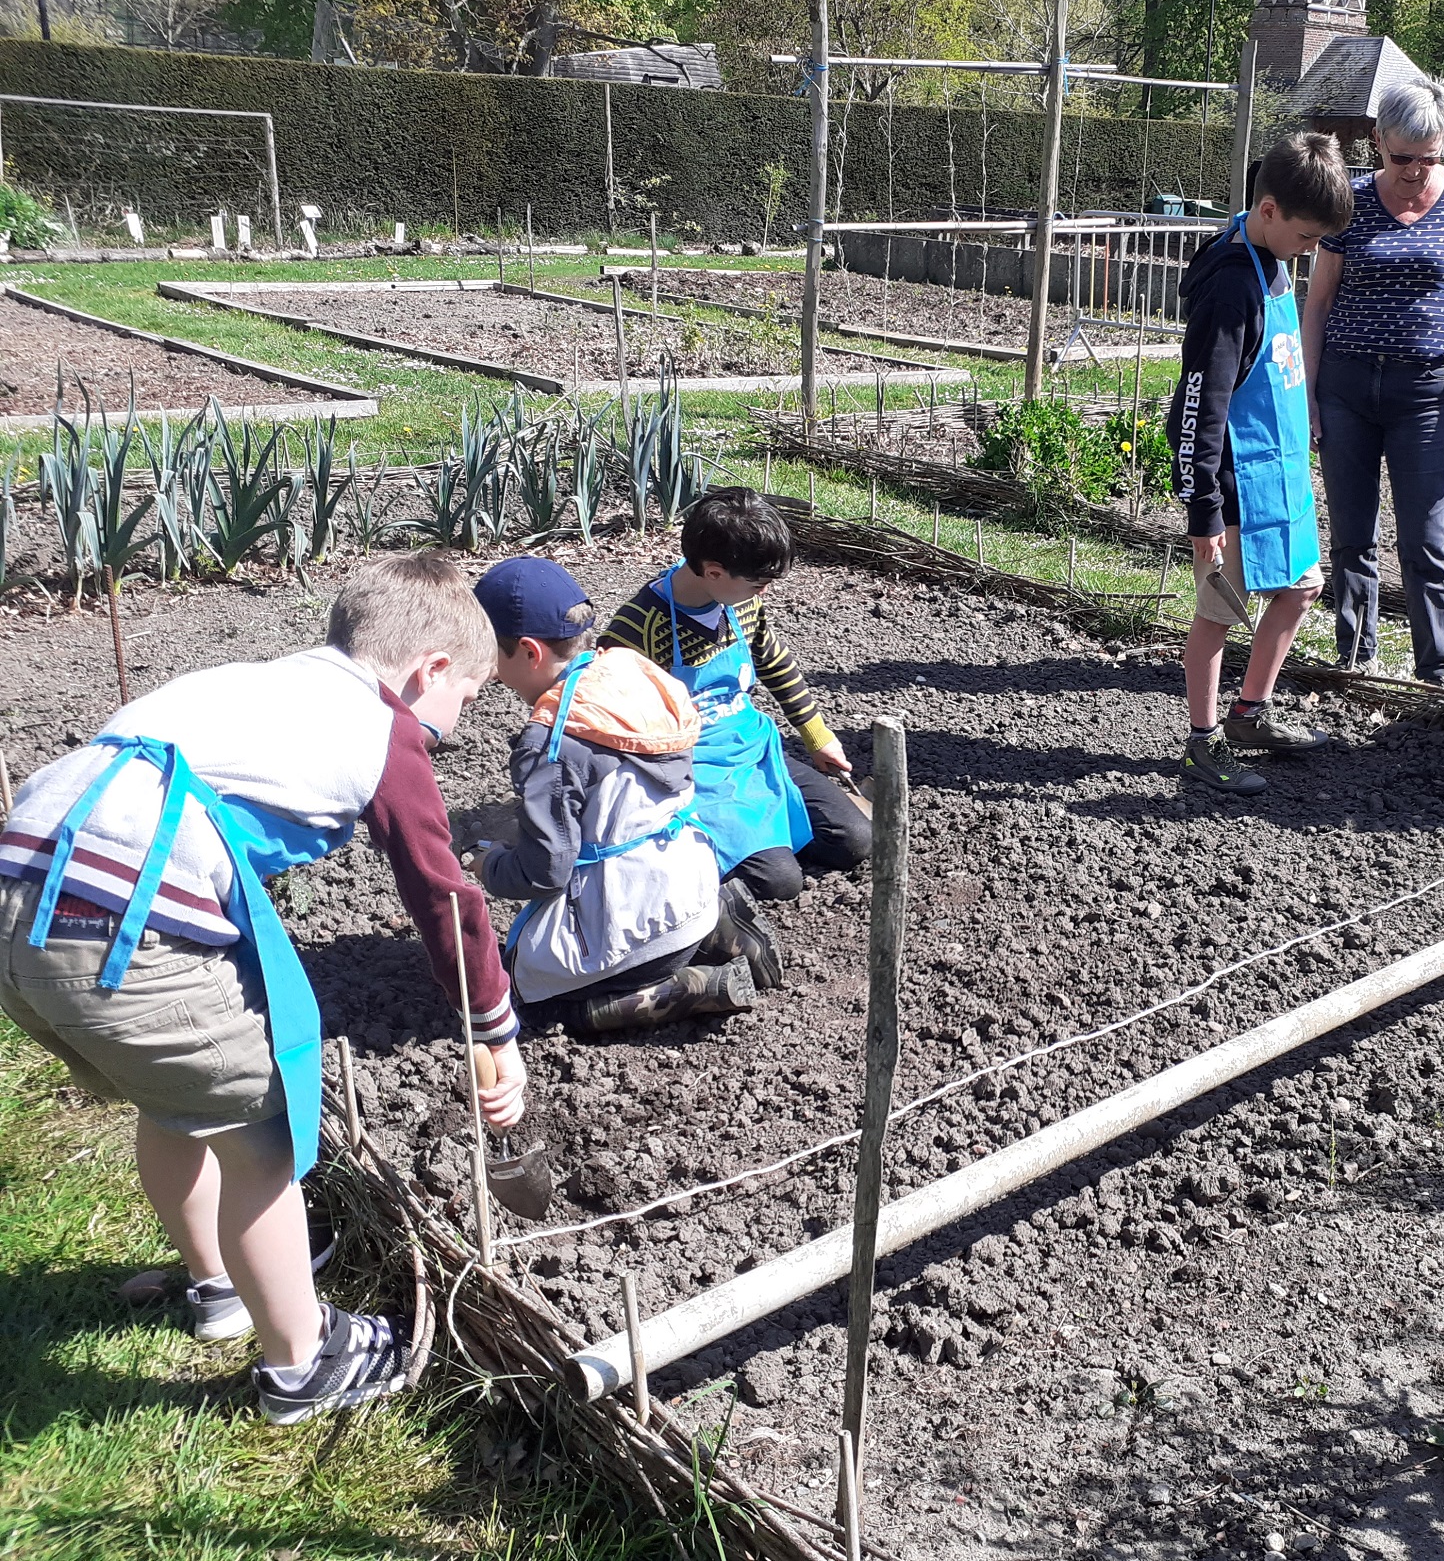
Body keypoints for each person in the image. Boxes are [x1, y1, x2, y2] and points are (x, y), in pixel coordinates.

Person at [0, 554, 526, 1424]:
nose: (457, 725)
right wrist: (494, 1028)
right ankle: (303, 1363)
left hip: (23, 903)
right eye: (467, 697)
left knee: (174, 1106)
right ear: (430, 670)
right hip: (124, 932)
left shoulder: (248, 685)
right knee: (262, 1139)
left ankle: (220, 1288)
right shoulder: (380, 729)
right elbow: (443, 894)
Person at [470, 558, 776, 1032]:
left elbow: (545, 873)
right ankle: (715, 923)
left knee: (529, 997)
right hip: (693, 873)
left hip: (639, 915)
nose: (491, 674)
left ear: (529, 652)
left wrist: (489, 866)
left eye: (491, 657)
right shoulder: (631, 674)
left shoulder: (549, 742)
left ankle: (692, 988)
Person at [1302, 73, 1444, 681]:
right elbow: (1316, 305)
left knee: (1425, 534)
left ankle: (1437, 671)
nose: (1415, 170)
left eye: (1429, 157)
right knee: (1351, 529)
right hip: (1346, 384)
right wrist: (1310, 396)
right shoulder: (1349, 201)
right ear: (1378, 141)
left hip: (1425, 390)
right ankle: (1356, 655)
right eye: (1402, 157)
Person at [1171, 131, 1355, 797]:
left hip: (1279, 474)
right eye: (1307, 238)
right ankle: (1203, 743)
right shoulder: (1228, 291)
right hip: (1234, 484)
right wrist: (1204, 511)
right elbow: (1201, 405)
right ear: (1270, 211)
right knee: (1219, 611)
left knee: (1303, 585)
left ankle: (1250, 714)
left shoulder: (1272, 257)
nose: (1311, 253)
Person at [602, 488, 871, 898]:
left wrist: (818, 737)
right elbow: (607, 722)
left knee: (854, 839)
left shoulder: (741, 602)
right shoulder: (638, 627)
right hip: (688, 773)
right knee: (779, 882)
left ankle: (762, 835)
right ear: (713, 572)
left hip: (750, 750)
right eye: (759, 582)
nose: (764, 591)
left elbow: (774, 662)